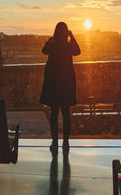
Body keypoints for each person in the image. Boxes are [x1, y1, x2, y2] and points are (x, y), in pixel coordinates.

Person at [40, 22, 81, 152]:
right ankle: (66, 141)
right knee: (65, 113)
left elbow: (44, 50)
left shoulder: (53, 45)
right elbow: (78, 51)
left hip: (53, 83)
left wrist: (51, 39)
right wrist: (72, 36)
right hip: (66, 82)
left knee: (54, 113)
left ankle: (54, 141)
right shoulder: (68, 46)